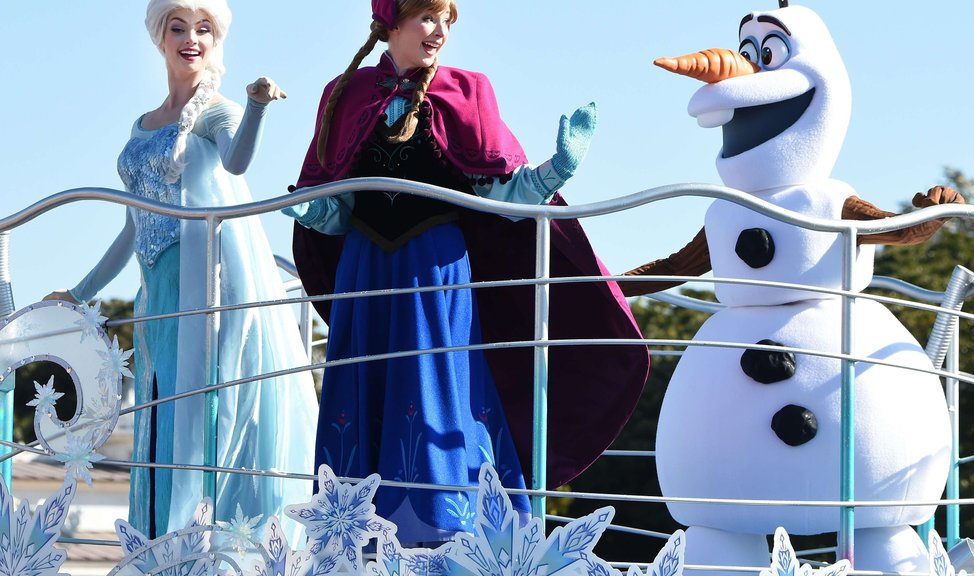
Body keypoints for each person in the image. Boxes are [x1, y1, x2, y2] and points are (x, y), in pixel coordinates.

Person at [284, 0, 649, 546]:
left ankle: (446, 537)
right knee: (367, 394)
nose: (440, 31)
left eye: (447, 20)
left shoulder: (466, 90)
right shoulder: (345, 93)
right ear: (392, 19)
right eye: (428, 17)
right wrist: (312, 210)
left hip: (436, 277)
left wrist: (555, 171)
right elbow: (336, 212)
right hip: (366, 276)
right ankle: (356, 544)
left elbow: (503, 196)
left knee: (435, 394)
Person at [46, 0, 317, 542]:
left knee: (206, 409)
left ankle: (203, 546)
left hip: (210, 287)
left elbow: (237, 162)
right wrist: (79, 293)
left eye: (203, 28)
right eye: (178, 27)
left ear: (216, 40)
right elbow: (133, 227)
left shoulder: (217, 111)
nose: (191, 38)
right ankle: (158, 549)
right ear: (160, 37)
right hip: (159, 297)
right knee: (160, 407)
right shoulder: (141, 125)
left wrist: (256, 106)